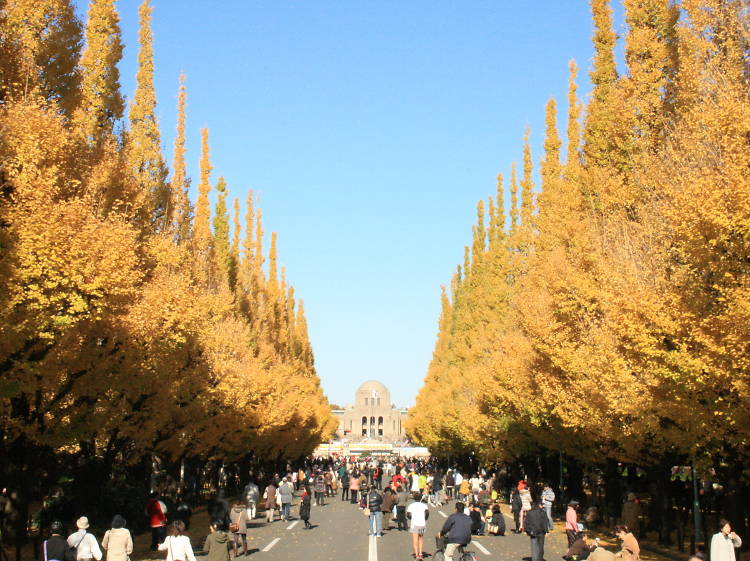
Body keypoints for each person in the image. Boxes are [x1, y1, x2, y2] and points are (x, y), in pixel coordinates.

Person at [406, 493, 429, 560]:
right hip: (422, 523)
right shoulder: (424, 505)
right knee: (421, 538)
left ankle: (417, 555)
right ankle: (421, 554)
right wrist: (424, 519)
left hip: (414, 524)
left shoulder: (411, 505)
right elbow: (427, 514)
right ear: (421, 498)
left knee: (415, 540)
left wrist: (412, 518)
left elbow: (408, 515)